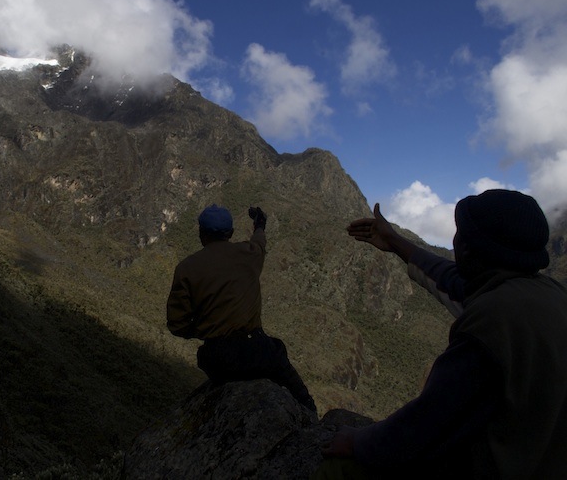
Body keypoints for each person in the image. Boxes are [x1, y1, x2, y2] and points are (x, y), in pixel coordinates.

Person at [314, 189, 567, 479]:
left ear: (471, 248)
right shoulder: (550, 295)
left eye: (460, 234)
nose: (454, 241)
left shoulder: (490, 321)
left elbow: (426, 424)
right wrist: (394, 240)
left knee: (338, 470)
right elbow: (451, 280)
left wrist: (357, 441)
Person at [166, 204, 317, 416]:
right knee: (295, 385)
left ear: (201, 234)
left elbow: (177, 324)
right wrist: (259, 225)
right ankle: (311, 417)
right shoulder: (249, 254)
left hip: (218, 358)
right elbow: (260, 242)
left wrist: (209, 327)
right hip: (256, 350)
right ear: (230, 233)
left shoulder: (186, 268)